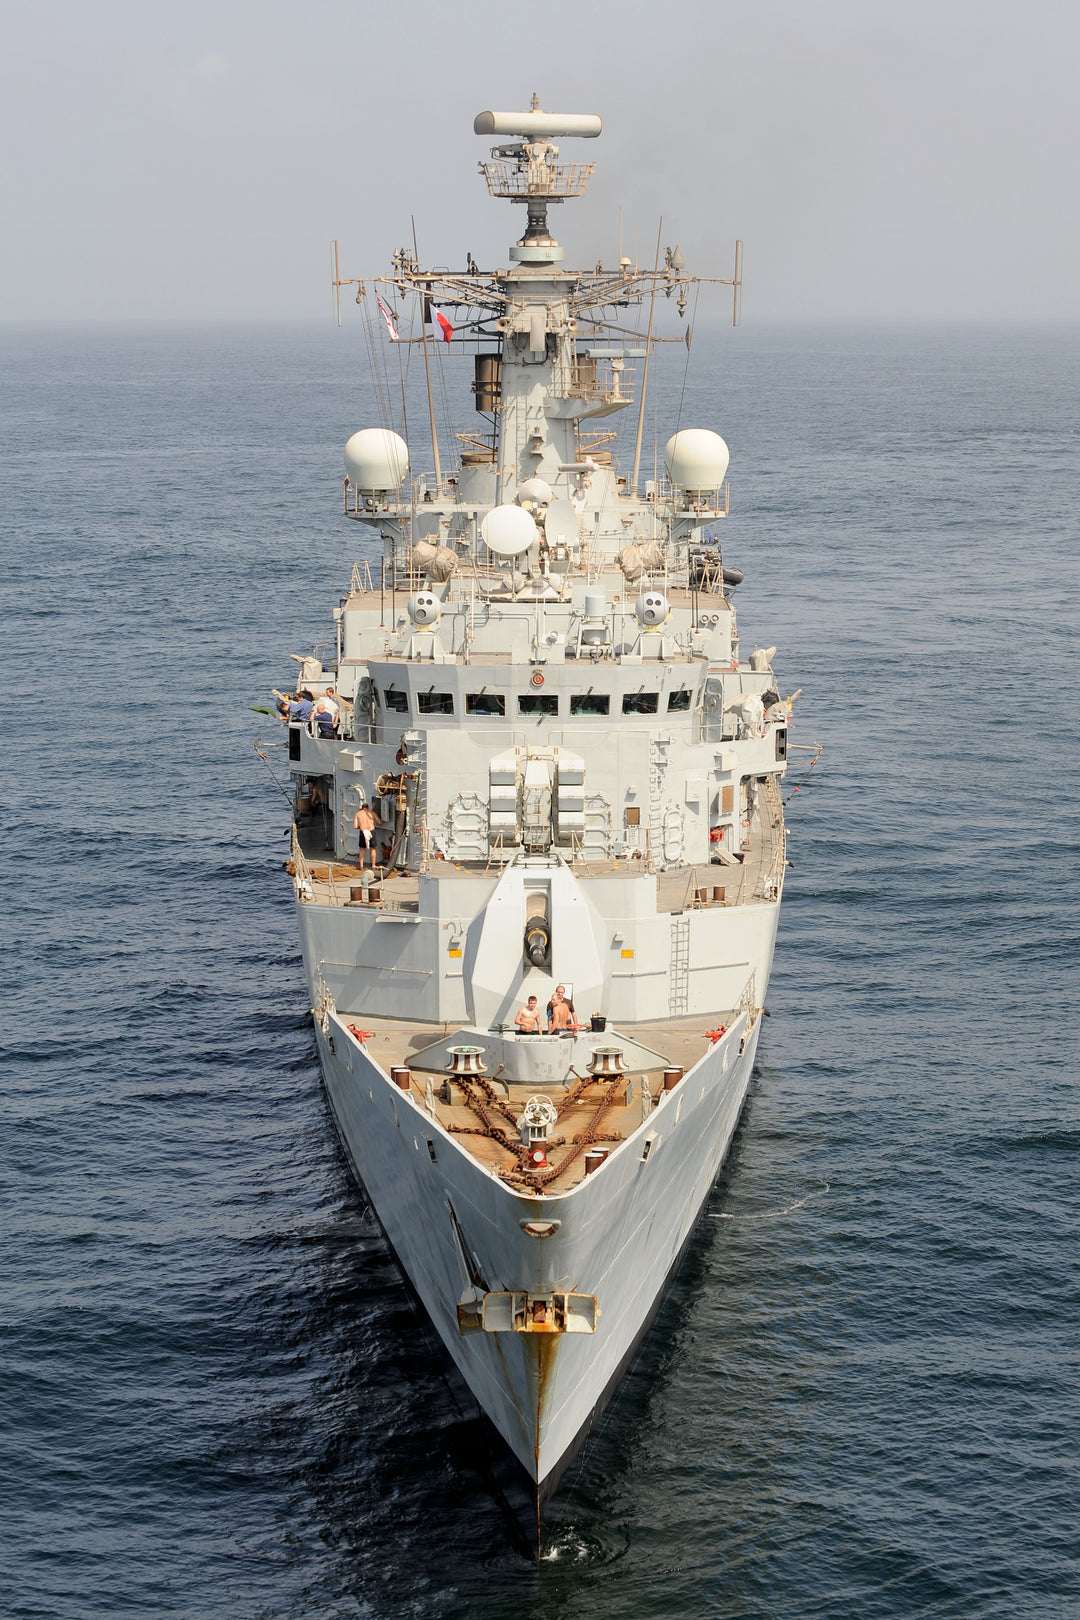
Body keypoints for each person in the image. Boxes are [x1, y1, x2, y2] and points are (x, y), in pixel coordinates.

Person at [352, 799, 380, 869]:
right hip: (371, 830)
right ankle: (373, 865)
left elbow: (355, 826)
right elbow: (379, 822)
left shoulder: (358, 814)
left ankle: (361, 865)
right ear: (368, 807)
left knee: (362, 849)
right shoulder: (372, 813)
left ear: (362, 808)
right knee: (372, 849)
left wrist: (361, 826)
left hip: (363, 831)